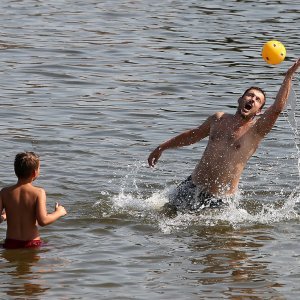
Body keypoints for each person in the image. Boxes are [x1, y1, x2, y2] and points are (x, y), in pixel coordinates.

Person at [148, 58, 300, 212]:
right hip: (192, 187)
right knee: (161, 216)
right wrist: (162, 147)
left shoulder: (256, 130)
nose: (252, 100)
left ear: (259, 111)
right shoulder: (218, 119)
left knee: (216, 235)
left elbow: (277, 109)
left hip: (220, 199)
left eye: (257, 100)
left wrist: (288, 76)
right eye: (250, 95)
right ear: (240, 100)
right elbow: (193, 135)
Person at [0, 152, 67, 249]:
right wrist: (59, 212)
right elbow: (43, 221)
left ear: (15, 171)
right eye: (39, 168)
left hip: (10, 244)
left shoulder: (4, 192)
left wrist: (3, 216)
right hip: (32, 244)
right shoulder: (38, 192)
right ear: (34, 173)